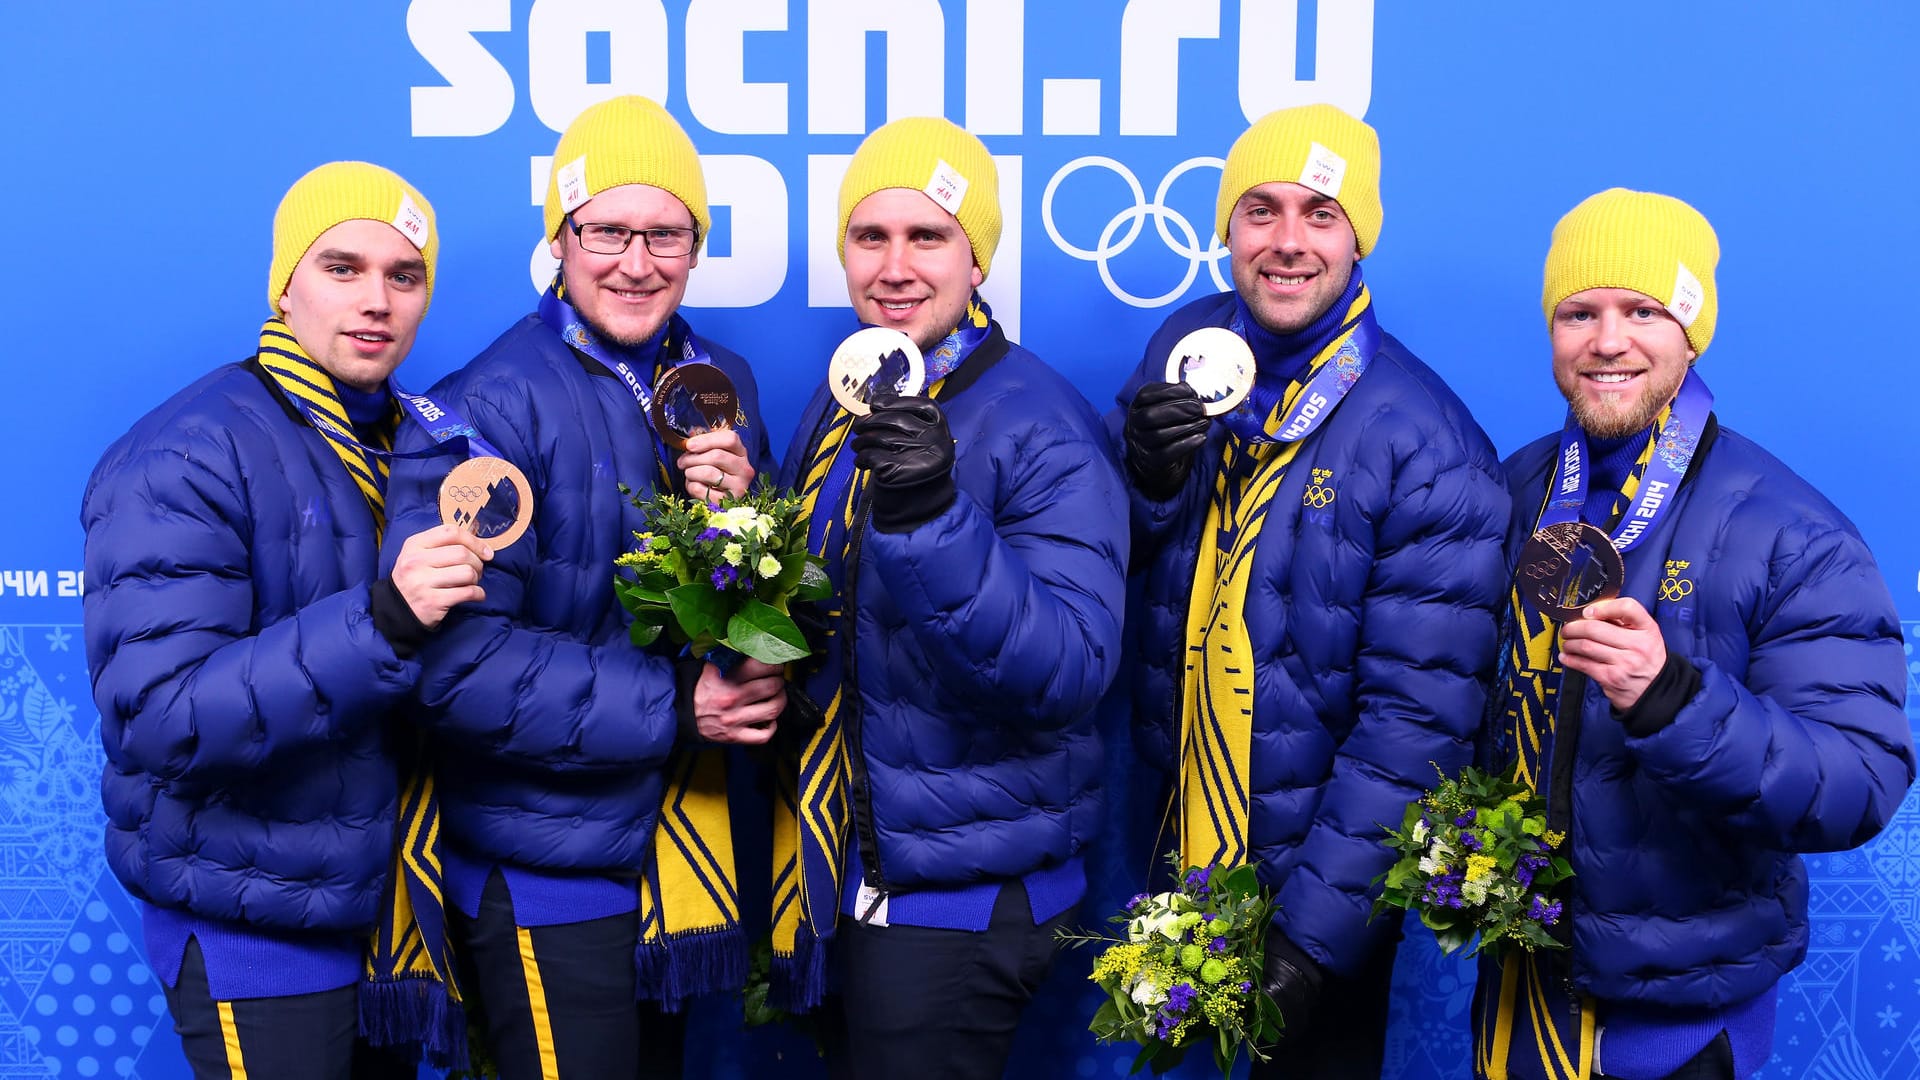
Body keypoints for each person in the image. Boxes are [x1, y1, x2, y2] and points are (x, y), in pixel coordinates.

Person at [1473, 188, 1914, 1080]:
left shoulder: (1793, 531)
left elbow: (1860, 781)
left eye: (1643, 311)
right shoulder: (1513, 492)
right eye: (1579, 312)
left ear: (1692, 332)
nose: (1607, 340)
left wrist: (1673, 701)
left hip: (1676, 1022)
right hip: (1519, 994)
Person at [379, 95, 776, 1079]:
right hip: (544, 859)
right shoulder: (486, 406)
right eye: (606, 230)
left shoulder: (720, 380)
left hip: (680, 856)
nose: (637, 262)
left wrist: (754, 528)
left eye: (667, 234)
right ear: (560, 239)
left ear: (697, 246)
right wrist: (680, 706)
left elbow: (761, 611)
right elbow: (455, 663)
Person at [1113, 103, 1511, 1076]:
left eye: (1320, 214)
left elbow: (1417, 721)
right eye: (1261, 210)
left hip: (1323, 878)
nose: (1288, 242)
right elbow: (1108, 573)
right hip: (1181, 843)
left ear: (1358, 236)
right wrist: (1150, 489)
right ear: (1227, 230)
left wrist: (1314, 936)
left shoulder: (1428, 441)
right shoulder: (1186, 348)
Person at [82, 162, 489, 1078]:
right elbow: (160, 718)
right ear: (284, 283)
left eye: (404, 274)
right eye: (342, 267)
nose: (376, 299)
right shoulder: (186, 451)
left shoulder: (421, 444)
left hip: (387, 910)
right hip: (250, 914)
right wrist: (381, 621)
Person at [770, 116, 1127, 1079]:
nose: (894, 266)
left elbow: (1070, 669)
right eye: (868, 236)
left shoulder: (1040, 420)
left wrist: (932, 513)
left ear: (978, 261)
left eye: (927, 236)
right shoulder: (858, 392)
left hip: (961, 895)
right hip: (867, 874)